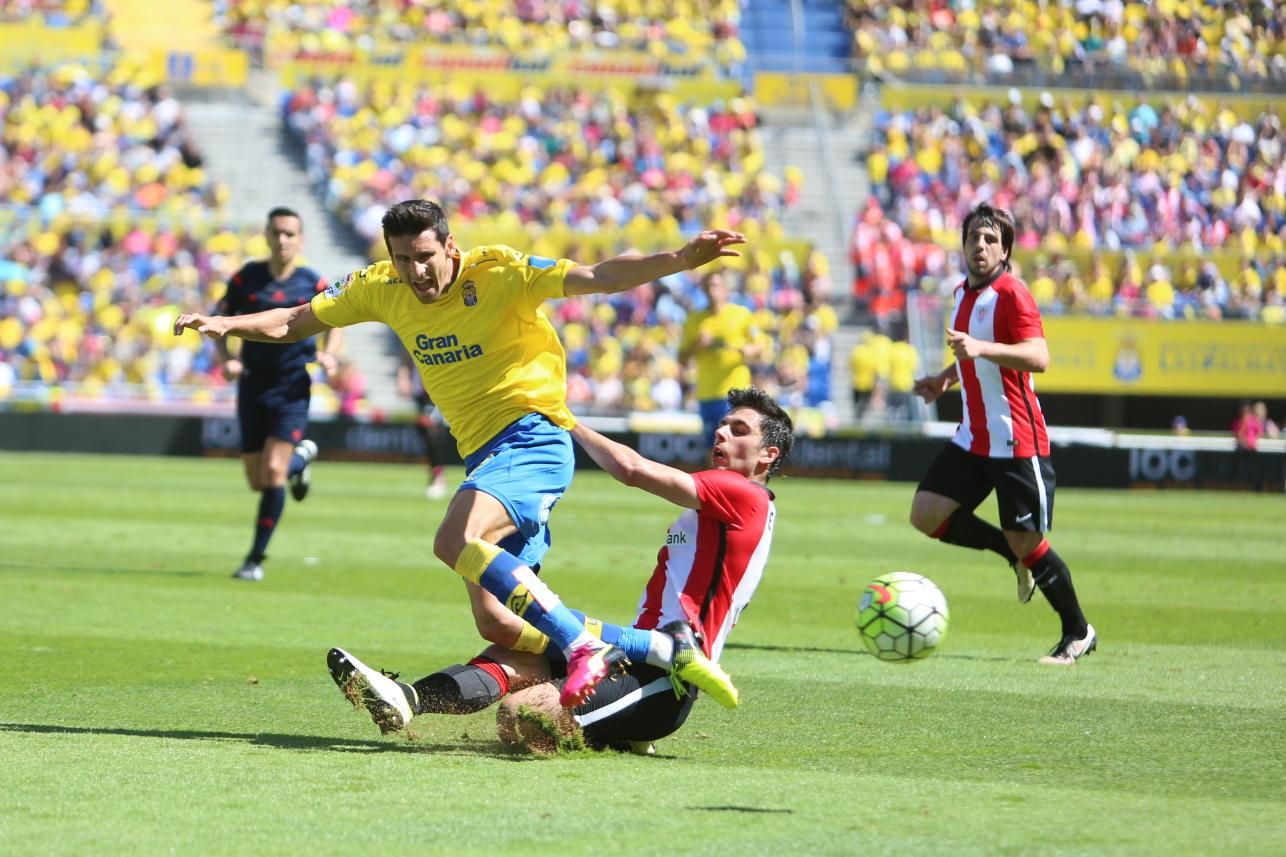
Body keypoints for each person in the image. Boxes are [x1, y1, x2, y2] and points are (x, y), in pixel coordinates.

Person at [176, 198, 746, 705]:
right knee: (497, 622)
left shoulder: (500, 272)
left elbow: (599, 276)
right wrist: (225, 323)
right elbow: (295, 321)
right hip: (484, 456)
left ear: (450, 246)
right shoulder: (381, 286)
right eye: (402, 258)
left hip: (533, 436)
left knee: (454, 540)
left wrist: (678, 259)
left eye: (425, 256)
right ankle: (658, 648)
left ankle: (583, 649)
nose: (415, 271)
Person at [325, 387, 794, 754]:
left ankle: (624, 730)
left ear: (768, 455)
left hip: (665, 683)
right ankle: (408, 699)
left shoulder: (744, 495)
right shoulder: (732, 504)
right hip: (640, 654)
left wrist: (565, 419)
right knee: (509, 638)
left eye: (738, 430)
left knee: (518, 718)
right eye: (722, 425)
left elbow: (631, 469)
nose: (721, 433)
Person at [908, 202, 1095, 665]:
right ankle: (1011, 555)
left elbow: (1038, 357)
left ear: (1005, 250)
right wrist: (944, 379)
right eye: (974, 237)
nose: (981, 245)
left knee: (1028, 542)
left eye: (991, 239)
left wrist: (981, 347)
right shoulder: (960, 293)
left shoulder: (1013, 294)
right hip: (973, 436)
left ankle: (1078, 632)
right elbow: (969, 356)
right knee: (926, 514)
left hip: (1015, 438)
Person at [214, 206, 343, 582]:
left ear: (300, 240)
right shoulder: (246, 279)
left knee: (272, 472)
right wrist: (226, 359)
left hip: (291, 386)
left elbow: (338, 320)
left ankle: (254, 559)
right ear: (267, 237)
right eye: (277, 233)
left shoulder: (313, 282)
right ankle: (301, 459)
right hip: (252, 384)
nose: (282, 239)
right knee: (257, 480)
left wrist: (330, 354)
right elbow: (220, 321)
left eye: (289, 234)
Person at [679, 270, 760, 441]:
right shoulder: (694, 320)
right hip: (707, 393)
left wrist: (747, 350)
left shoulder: (741, 315)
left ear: (725, 289)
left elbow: (760, 347)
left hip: (735, 392)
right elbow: (681, 358)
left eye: (715, 285)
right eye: (707, 286)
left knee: (734, 443)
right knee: (712, 446)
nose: (712, 290)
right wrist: (698, 345)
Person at [395, 350, 451, 499]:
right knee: (425, 430)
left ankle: (438, 474)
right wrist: (403, 377)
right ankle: (437, 472)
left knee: (430, 426)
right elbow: (408, 353)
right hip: (421, 390)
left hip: (439, 386)